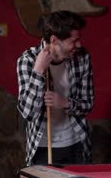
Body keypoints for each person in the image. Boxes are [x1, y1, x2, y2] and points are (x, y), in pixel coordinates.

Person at [17, 10, 94, 166]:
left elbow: (88, 104)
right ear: (54, 40)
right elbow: (28, 113)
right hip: (42, 146)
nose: (79, 45)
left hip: (76, 143)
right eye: (74, 41)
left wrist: (65, 103)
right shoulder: (28, 60)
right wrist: (38, 70)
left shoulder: (82, 58)